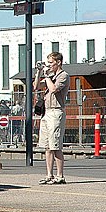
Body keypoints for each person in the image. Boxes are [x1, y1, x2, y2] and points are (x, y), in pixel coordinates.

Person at [33, 52, 69, 185]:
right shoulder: (50, 76)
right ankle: (49, 174)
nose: (49, 66)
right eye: (47, 63)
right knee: (47, 146)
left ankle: (60, 176)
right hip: (46, 113)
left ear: (58, 62)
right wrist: (38, 72)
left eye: (51, 63)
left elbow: (53, 89)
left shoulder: (63, 76)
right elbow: (36, 86)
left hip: (56, 112)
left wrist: (47, 76)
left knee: (56, 146)